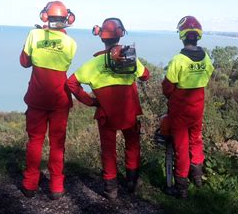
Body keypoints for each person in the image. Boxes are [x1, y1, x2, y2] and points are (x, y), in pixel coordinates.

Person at [67, 18, 150, 200]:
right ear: (120, 35)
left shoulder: (95, 63)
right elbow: (146, 76)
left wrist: (90, 101)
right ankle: (132, 182)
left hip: (106, 113)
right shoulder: (129, 58)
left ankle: (111, 189)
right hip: (129, 110)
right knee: (133, 145)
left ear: (102, 37)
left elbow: (71, 83)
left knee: (108, 150)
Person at [19, 1, 77, 200]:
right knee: (57, 143)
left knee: (35, 141)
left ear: (45, 17)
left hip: (36, 98)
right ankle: (56, 187)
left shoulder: (34, 35)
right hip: (59, 100)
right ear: (67, 20)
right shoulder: (71, 43)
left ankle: (29, 184)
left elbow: (24, 62)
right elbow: (64, 63)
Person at [162, 16, 214, 198]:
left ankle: (181, 186)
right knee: (196, 139)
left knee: (181, 146)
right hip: (197, 106)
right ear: (198, 36)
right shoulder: (205, 57)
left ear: (182, 36)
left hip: (180, 109)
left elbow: (168, 86)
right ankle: (197, 176)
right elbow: (207, 76)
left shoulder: (178, 59)